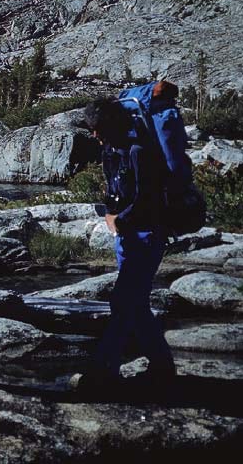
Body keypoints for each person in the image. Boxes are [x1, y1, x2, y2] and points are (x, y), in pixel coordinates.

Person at [78, 98, 175, 390]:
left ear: (111, 124)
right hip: (127, 237)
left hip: (146, 236)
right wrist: (110, 214)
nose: (94, 135)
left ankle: (102, 370)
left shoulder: (139, 151)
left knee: (122, 301)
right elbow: (115, 191)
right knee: (136, 304)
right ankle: (163, 368)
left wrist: (120, 220)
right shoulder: (111, 148)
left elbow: (149, 199)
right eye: (92, 130)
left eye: (98, 129)